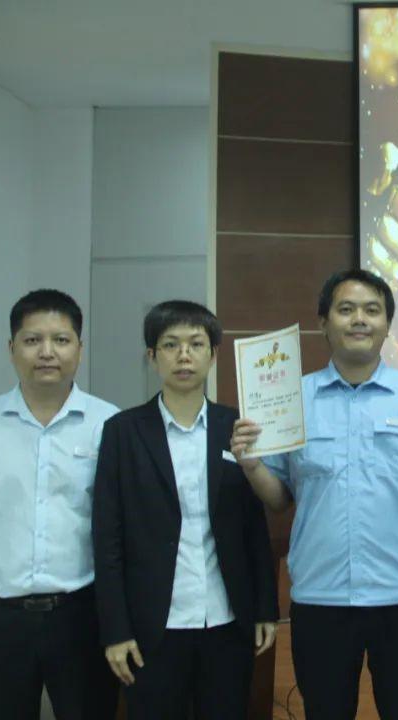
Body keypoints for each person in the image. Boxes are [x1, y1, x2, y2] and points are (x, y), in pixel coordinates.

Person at [229, 269, 398, 719]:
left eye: (372, 310)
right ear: (323, 322)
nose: (360, 319)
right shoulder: (291, 400)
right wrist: (252, 465)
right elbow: (279, 500)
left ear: (387, 324)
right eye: (346, 309)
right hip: (321, 597)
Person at [0, 289, 119, 719]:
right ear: (12, 348)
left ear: (79, 348)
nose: (47, 352)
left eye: (61, 339)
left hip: (82, 616)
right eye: (33, 340)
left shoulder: (109, 424)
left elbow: (119, 520)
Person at [92, 300, 277, 720]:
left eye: (196, 344)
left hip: (226, 618)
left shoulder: (237, 428)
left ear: (213, 355)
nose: (184, 355)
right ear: (151, 356)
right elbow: (107, 538)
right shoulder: (122, 432)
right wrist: (115, 630)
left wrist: (265, 606)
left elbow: (253, 528)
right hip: (153, 625)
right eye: (170, 345)